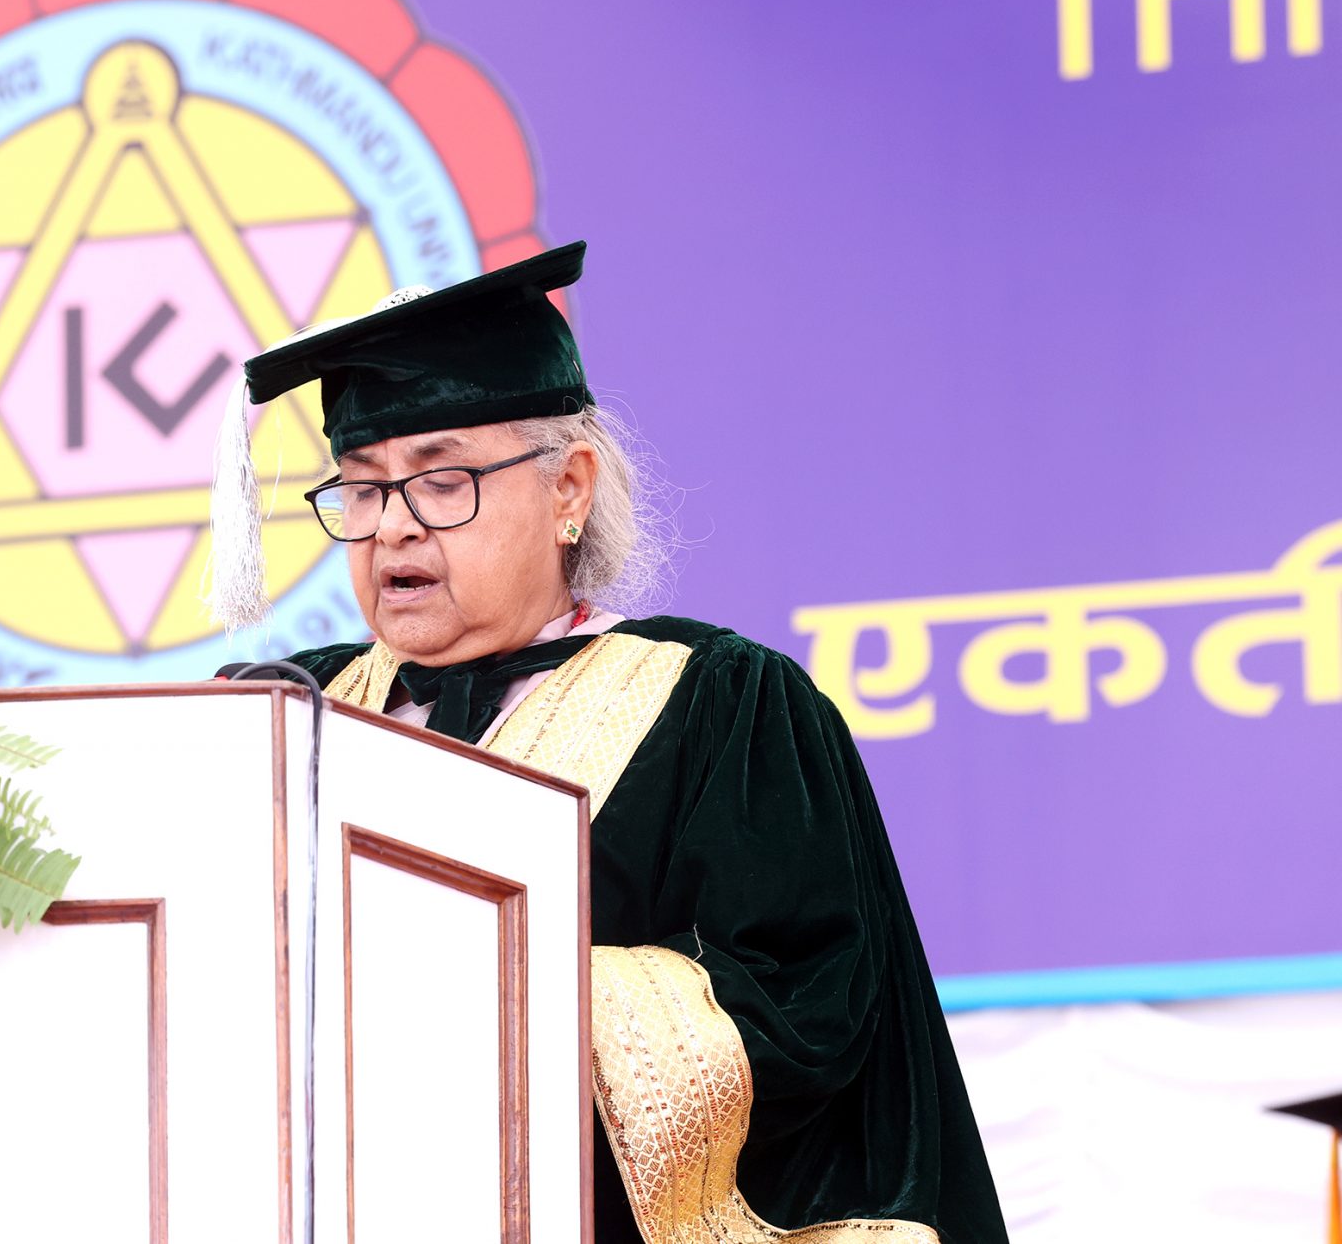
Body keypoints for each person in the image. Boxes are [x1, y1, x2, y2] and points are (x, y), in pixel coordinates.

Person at [209, 242, 1007, 1243]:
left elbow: (804, 1011)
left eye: (441, 480)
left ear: (568, 490)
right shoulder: (287, 714)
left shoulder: (717, 703)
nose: (392, 529)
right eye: (362, 489)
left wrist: (479, 997)